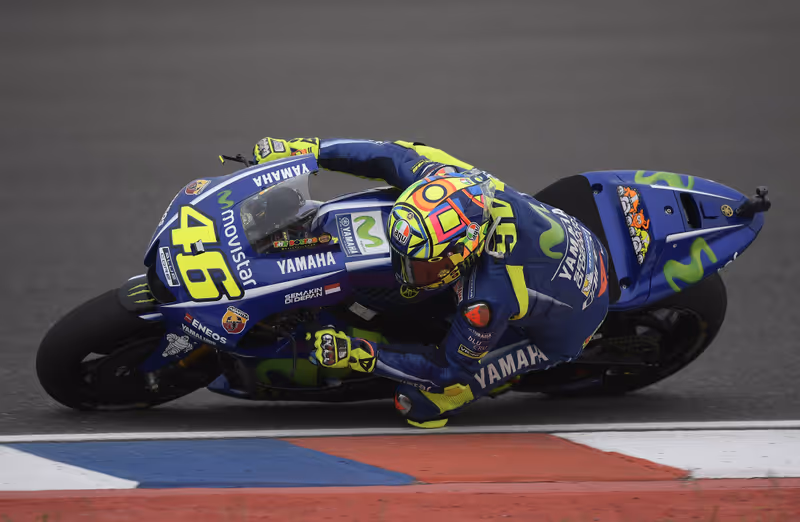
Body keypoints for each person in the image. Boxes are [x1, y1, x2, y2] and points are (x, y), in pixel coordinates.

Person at [253, 137, 610, 428]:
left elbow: (446, 369)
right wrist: (309, 151)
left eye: (421, 266)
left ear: (463, 252)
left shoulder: (486, 299)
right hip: (566, 237)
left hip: (574, 317)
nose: (406, 272)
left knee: (422, 402)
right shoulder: (445, 179)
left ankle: (507, 372)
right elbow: (387, 155)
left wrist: (362, 354)